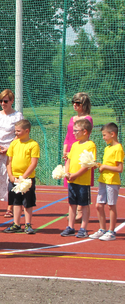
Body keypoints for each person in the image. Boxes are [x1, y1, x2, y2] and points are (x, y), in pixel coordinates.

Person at [3, 119, 40, 235]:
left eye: (18, 131)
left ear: (27, 131)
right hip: (14, 178)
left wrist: (23, 177)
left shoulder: (33, 144)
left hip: (26, 179)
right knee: (15, 201)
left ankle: (28, 224)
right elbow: (8, 161)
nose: (16, 133)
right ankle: (16, 224)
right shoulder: (14, 143)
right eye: (15, 131)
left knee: (28, 201)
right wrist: (10, 175)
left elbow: (33, 163)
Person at [62, 119, 96, 238]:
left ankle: (83, 228)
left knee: (84, 204)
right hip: (72, 180)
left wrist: (76, 175)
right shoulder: (75, 145)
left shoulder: (90, 145)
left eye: (76, 131)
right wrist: (67, 173)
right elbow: (69, 160)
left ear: (85, 131)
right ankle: (70, 226)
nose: (74, 133)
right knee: (72, 204)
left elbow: (88, 164)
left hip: (83, 181)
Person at [63, 92, 93, 222]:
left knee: (80, 179)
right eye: (73, 102)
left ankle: (81, 210)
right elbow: (68, 134)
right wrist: (65, 149)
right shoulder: (72, 119)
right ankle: (73, 208)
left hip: (80, 149)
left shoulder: (88, 119)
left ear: (84, 104)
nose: (75, 105)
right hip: (70, 148)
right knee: (70, 178)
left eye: (78, 103)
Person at [90, 123, 123, 241]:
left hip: (112, 181)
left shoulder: (118, 148)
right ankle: (102, 229)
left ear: (112, 134)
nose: (103, 138)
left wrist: (105, 167)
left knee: (111, 205)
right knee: (98, 205)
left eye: (105, 135)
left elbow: (119, 168)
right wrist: (97, 165)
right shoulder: (107, 148)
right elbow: (105, 165)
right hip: (103, 180)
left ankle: (111, 231)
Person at [0, 89, 23, 217]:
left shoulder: (17, 116)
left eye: (5, 101)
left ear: (11, 101)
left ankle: (10, 208)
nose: (3, 103)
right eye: (1, 101)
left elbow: (18, 133)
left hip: (10, 150)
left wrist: (9, 148)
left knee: (9, 178)